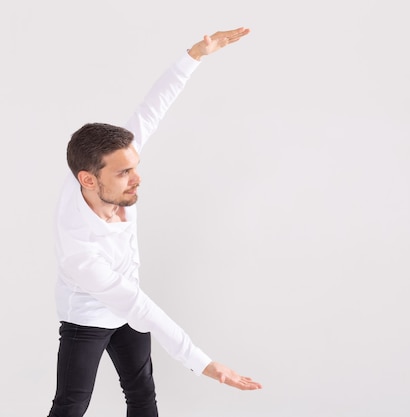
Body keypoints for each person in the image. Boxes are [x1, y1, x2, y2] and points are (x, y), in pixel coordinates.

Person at [47, 27, 262, 417]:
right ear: (88, 180)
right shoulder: (80, 251)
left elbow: (151, 110)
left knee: (143, 396)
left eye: (136, 167)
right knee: (71, 404)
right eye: (125, 173)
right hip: (88, 317)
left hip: (129, 309)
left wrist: (195, 55)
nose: (137, 179)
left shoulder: (110, 166)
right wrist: (205, 364)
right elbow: (140, 307)